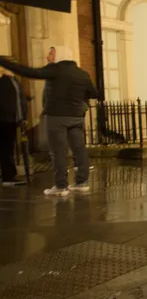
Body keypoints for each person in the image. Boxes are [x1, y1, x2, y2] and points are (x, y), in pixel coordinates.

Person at [0, 46, 98, 196]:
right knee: (79, 149)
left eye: (51, 53)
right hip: (76, 117)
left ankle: (61, 186)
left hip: (56, 117)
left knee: (58, 151)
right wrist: (77, 99)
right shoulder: (82, 73)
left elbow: (30, 72)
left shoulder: (56, 69)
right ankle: (81, 182)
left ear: (60, 55)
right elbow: (94, 93)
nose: (47, 56)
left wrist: (4, 62)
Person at [0, 67, 27, 185]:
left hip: (13, 119)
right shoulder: (3, 81)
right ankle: (8, 176)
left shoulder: (14, 81)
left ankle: (9, 175)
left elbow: (21, 100)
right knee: (6, 148)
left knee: (8, 147)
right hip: (4, 119)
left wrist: (23, 117)